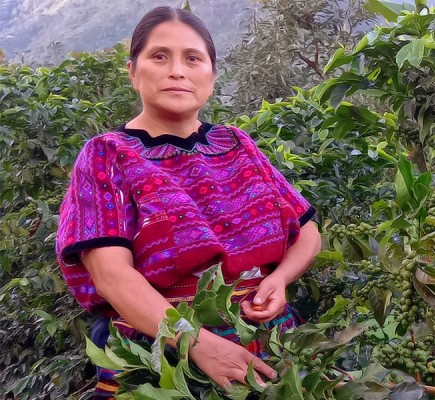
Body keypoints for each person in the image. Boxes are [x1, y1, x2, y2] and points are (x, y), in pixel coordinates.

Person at [55, 7, 320, 397]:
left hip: (272, 349)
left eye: (193, 59)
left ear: (211, 75)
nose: (177, 71)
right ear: (133, 72)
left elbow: (307, 230)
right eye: (159, 56)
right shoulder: (107, 155)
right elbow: (112, 275)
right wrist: (196, 342)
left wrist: (279, 279)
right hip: (162, 363)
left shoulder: (236, 144)